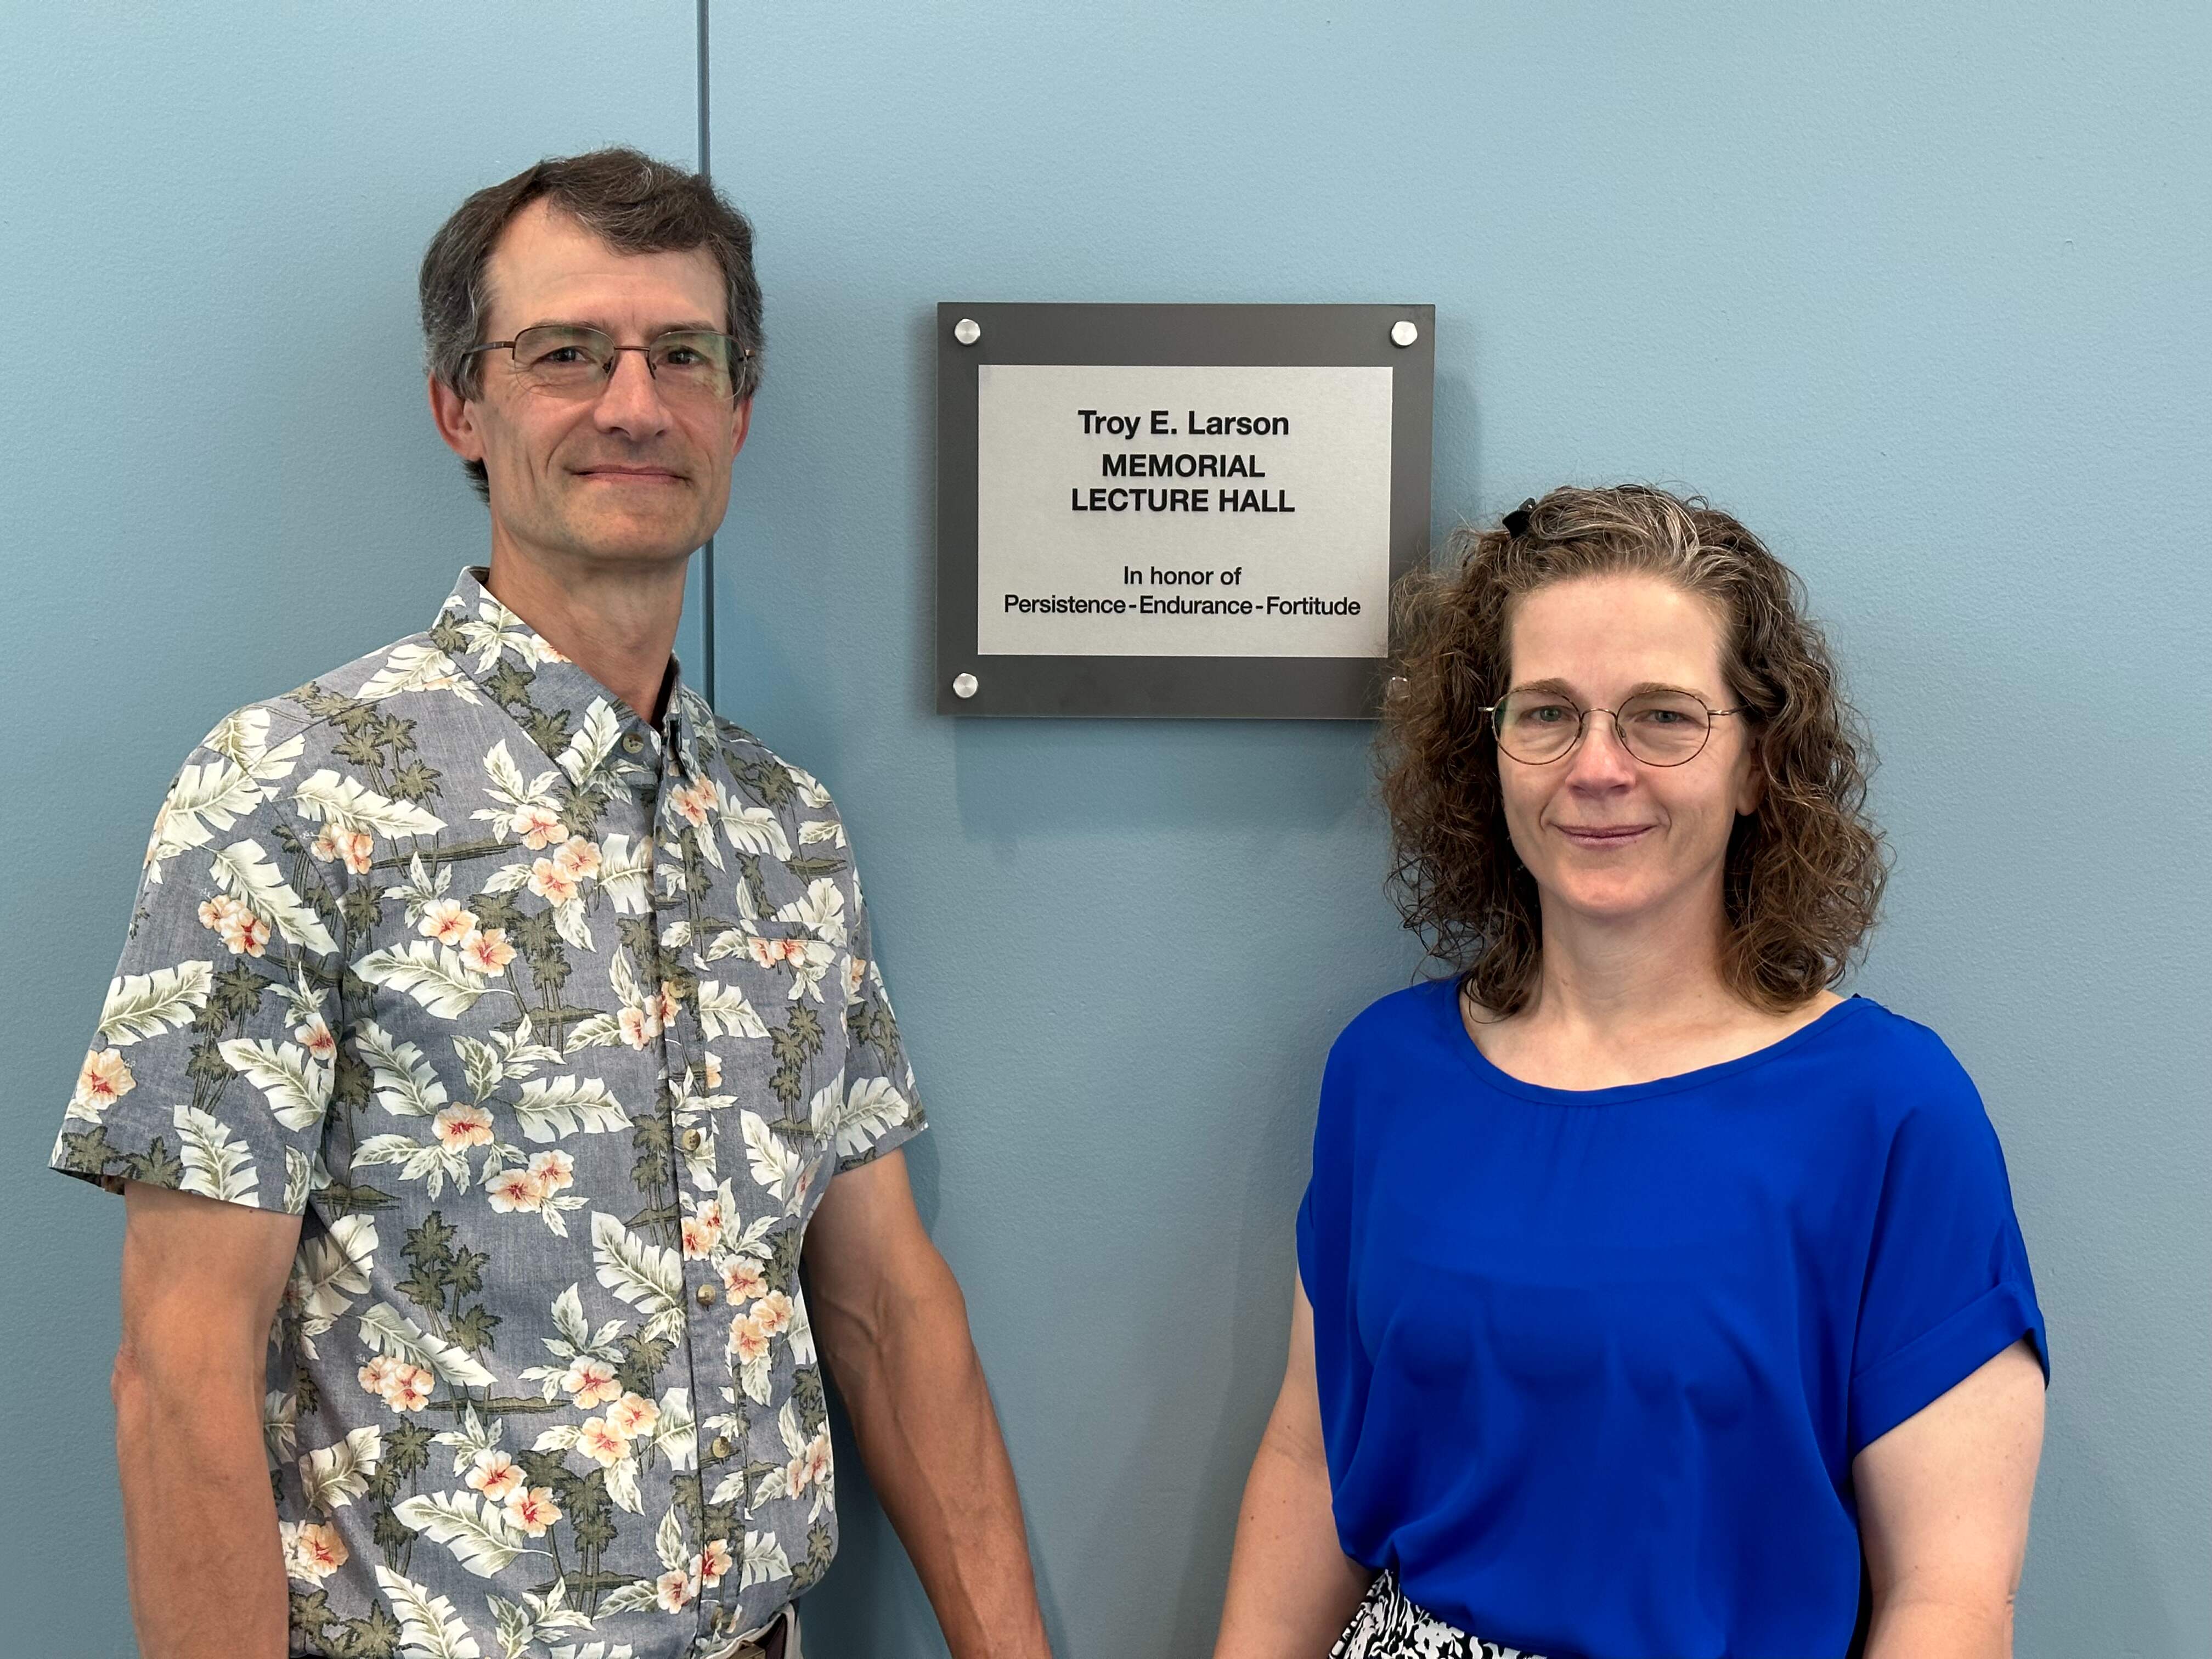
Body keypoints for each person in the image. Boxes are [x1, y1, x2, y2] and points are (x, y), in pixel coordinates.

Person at [49, 148, 1052, 1659]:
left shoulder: (786, 831)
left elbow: (885, 1309)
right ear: (464, 403)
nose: (634, 403)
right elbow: (179, 1375)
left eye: (683, 356)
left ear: (738, 412)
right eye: (567, 354)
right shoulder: (291, 791)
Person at [1214, 486, 2048, 1658]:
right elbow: (1313, 1459)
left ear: (1761, 763)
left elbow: (1951, 1599)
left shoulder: (1891, 1111)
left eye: (1663, 717)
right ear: (1489, 750)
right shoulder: (1386, 1076)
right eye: (1549, 713)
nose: (1598, 768)